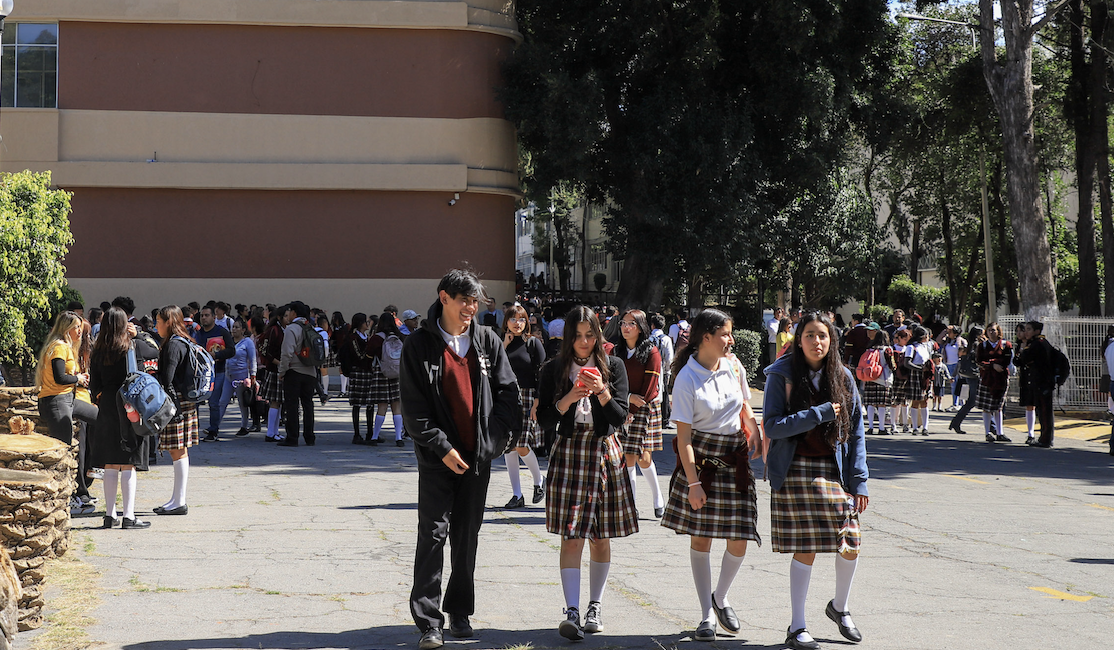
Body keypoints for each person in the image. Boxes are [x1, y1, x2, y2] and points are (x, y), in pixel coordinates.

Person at [400, 269, 519, 650]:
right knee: (432, 536)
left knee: (466, 537)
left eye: (475, 301)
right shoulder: (419, 344)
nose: (471, 307)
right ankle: (429, 622)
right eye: (464, 299)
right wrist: (441, 447)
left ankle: (460, 611)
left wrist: (494, 440)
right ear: (444, 297)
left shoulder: (487, 341)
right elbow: (414, 410)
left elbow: (508, 394)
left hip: (477, 459)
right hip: (438, 459)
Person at [762, 312, 869, 650]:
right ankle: (797, 626)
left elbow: (856, 433)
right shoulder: (781, 374)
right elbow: (773, 426)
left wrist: (860, 481)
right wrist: (818, 413)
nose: (817, 342)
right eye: (809, 335)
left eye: (823, 335)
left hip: (832, 468)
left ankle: (840, 607)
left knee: (851, 540)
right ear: (798, 338)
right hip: (795, 468)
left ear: (832, 340)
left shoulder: (843, 377)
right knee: (806, 547)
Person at [663, 308, 762, 641]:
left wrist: (756, 433)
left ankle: (720, 597)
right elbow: (683, 438)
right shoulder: (687, 378)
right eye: (726, 334)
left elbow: (744, 406)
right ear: (706, 337)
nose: (731, 340)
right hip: (702, 465)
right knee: (701, 538)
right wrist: (692, 483)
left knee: (740, 538)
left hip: (735, 462)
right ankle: (706, 615)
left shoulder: (734, 365)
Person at [537, 306, 633, 641]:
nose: (583, 341)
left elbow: (620, 418)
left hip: (604, 450)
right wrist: (570, 397)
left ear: (598, 334)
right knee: (571, 534)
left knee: (600, 535)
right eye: (577, 336)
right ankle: (571, 611)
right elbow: (545, 420)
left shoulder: (614, 365)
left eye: (589, 334)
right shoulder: (553, 368)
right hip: (569, 450)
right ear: (568, 337)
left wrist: (602, 392)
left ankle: (595, 605)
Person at [88, 307, 160, 529]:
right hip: (130, 405)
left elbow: (94, 385)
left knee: (110, 462)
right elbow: (155, 351)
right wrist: (138, 334)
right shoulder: (131, 346)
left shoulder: (98, 350)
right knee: (129, 463)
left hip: (108, 404)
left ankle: (110, 516)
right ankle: (128, 516)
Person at [35, 311, 100, 512]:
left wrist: (78, 377)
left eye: (80, 326)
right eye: (76, 327)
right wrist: (78, 379)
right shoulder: (60, 347)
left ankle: (91, 476)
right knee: (62, 453)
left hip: (68, 400)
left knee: (102, 418)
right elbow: (59, 378)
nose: (80, 331)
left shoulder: (63, 346)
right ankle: (67, 501)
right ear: (66, 328)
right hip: (56, 402)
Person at [612, 309, 665, 519]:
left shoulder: (651, 352)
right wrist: (625, 403)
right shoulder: (616, 351)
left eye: (631, 324)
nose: (626, 327)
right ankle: (630, 505)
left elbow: (650, 388)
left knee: (643, 458)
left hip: (645, 408)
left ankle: (658, 497)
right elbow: (612, 381)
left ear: (641, 327)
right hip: (622, 406)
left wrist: (632, 409)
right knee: (628, 456)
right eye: (623, 323)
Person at [154, 305, 199, 516]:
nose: (156, 326)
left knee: (178, 450)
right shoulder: (184, 341)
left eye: (158, 322)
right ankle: (176, 498)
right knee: (179, 450)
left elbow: (168, 380)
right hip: (183, 401)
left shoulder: (173, 345)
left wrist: (174, 410)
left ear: (168, 323)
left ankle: (179, 500)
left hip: (176, 403)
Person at [501, 303, 547, 509]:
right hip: (506, 397)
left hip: (528, 396)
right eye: (513, 319)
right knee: (508, 447)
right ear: (506, 322)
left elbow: (544, 373)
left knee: (520, 445)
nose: (517, 323)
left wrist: (539, 399)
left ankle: (539, 481)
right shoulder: (502, 343)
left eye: (521, 319)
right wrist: (503, 345)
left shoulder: (533, 343)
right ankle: (517, 495)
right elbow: (492, 367)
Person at [277, 301, 318, 447]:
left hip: (294, 371)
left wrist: (282, 371)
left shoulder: (292, 329)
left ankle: (292, 437)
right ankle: (310, 437)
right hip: (310, 372)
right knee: (308, 405)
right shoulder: (311, 327)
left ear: (294, 313)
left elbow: (286, 353)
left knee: (292, 405)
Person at [193, 305, 235, 442]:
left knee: (214, 403)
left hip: (218, 372)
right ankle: (194, 430)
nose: (204, 318)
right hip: (200, 373)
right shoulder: (198, 334)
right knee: (196, 402)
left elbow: (231, 350)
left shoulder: (222, 332)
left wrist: (216, 355)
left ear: (214, 317)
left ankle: (213, 430)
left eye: (207, 315)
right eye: (202, 316)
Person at [365, 313, 406, 446]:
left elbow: (368, 354)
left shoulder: (377, 338)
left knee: (382, 406)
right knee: (397, 406)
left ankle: (375, 437)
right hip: (397, 373)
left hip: (381, 372)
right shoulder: (400, 336)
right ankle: (398, 438)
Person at [1019, 321, 1056, 448]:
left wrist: (1023, 348)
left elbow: (1024, 359)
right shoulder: (1037, 343)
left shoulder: (1038, 344)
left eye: (1029, 329)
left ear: (1036, 331)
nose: (1026, 332)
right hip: (1040, 382)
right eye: (1025, 329)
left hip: (1043, 382)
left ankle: (1046, 439)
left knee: (1045, 412)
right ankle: (1043, 437)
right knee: (1041, 411)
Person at [218, 320, 257, 437]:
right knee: (222, 402)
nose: (234, 329)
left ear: (243, 330)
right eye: (233, 327)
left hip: (241, 377)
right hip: (228, 375)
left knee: (242, 403)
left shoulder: (247, 342)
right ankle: (215, 426)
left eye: (237, 327)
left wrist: (253, 375)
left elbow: (252, 359)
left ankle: (244, 427)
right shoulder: (228, 341)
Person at [975, 322, 1013, 443]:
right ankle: (987, 433)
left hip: (1001, 379)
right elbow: (979, 361)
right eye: (989, 330)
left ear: (998, 332)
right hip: (987, 378)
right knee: (986, 408)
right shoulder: (983, 346)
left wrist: (997, 364)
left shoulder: (1005, 345)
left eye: (994, 330)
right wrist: (992, 365)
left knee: (998, 407)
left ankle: (1000, 433)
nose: (992, 332)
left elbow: (1007, 359)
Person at [258, 307, 290, 442]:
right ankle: (270, 433)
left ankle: (275, 431)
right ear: (279, 317)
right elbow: (267, 352)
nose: (289, 318)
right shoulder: (274, 331)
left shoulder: (283, 330)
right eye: (286, 316)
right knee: (275, 402)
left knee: (278, 402)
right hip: (275, 370)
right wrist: (280, 363)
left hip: (280, 369)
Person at [948, 326, 985, 435]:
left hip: (968, 374)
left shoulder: (968, 345)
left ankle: (956, 422)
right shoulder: (977, 345)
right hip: (975, 375)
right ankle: (956, 422)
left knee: (972, 401)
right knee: (973, 401)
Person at [345, 313, 376, 445]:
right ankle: (356, 434)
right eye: (365, 321)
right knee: (357, 403)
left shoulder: (368, 337)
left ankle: (370, 432)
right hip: (358, 372)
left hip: (369, 372)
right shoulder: (353, 338)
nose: (368, 323)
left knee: (370, 403)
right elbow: (359, 355)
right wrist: (370, 350)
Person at [860, 326, 895, 435]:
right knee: (882, 404)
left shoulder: (869, 349)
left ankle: (870, 427)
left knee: (871, 403)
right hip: (883, 379)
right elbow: (892, 366)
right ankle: (881, 427)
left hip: (870, 378)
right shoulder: (887, 350)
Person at [902, 326, 934, 435]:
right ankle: (915, 427)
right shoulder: (911, 347)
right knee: (915, 401)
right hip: (915, 374)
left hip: (925, 375)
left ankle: (925, 427)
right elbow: (907, 363)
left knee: (925, 401)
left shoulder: (925, 347)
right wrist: (920, 369)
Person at [649, 313, 675, 427]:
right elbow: (669, 357)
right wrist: (668, 371)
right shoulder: (666, 339)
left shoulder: (648, 338)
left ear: (652, 325)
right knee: (664, 394)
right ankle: (664, 419)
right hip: (662, 370)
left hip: (650, 369)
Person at [941, 326, 966, 410]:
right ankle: (955, 403)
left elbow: (966, 350)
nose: (948, 334)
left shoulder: (961, 341)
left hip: (957, 364)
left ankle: (960, 403)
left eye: (950, 332)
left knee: (959, 385)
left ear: (955, 333)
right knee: (953, 385)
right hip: (948, 364)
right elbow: (938, 339)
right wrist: (945, 331)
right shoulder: (947, 340)